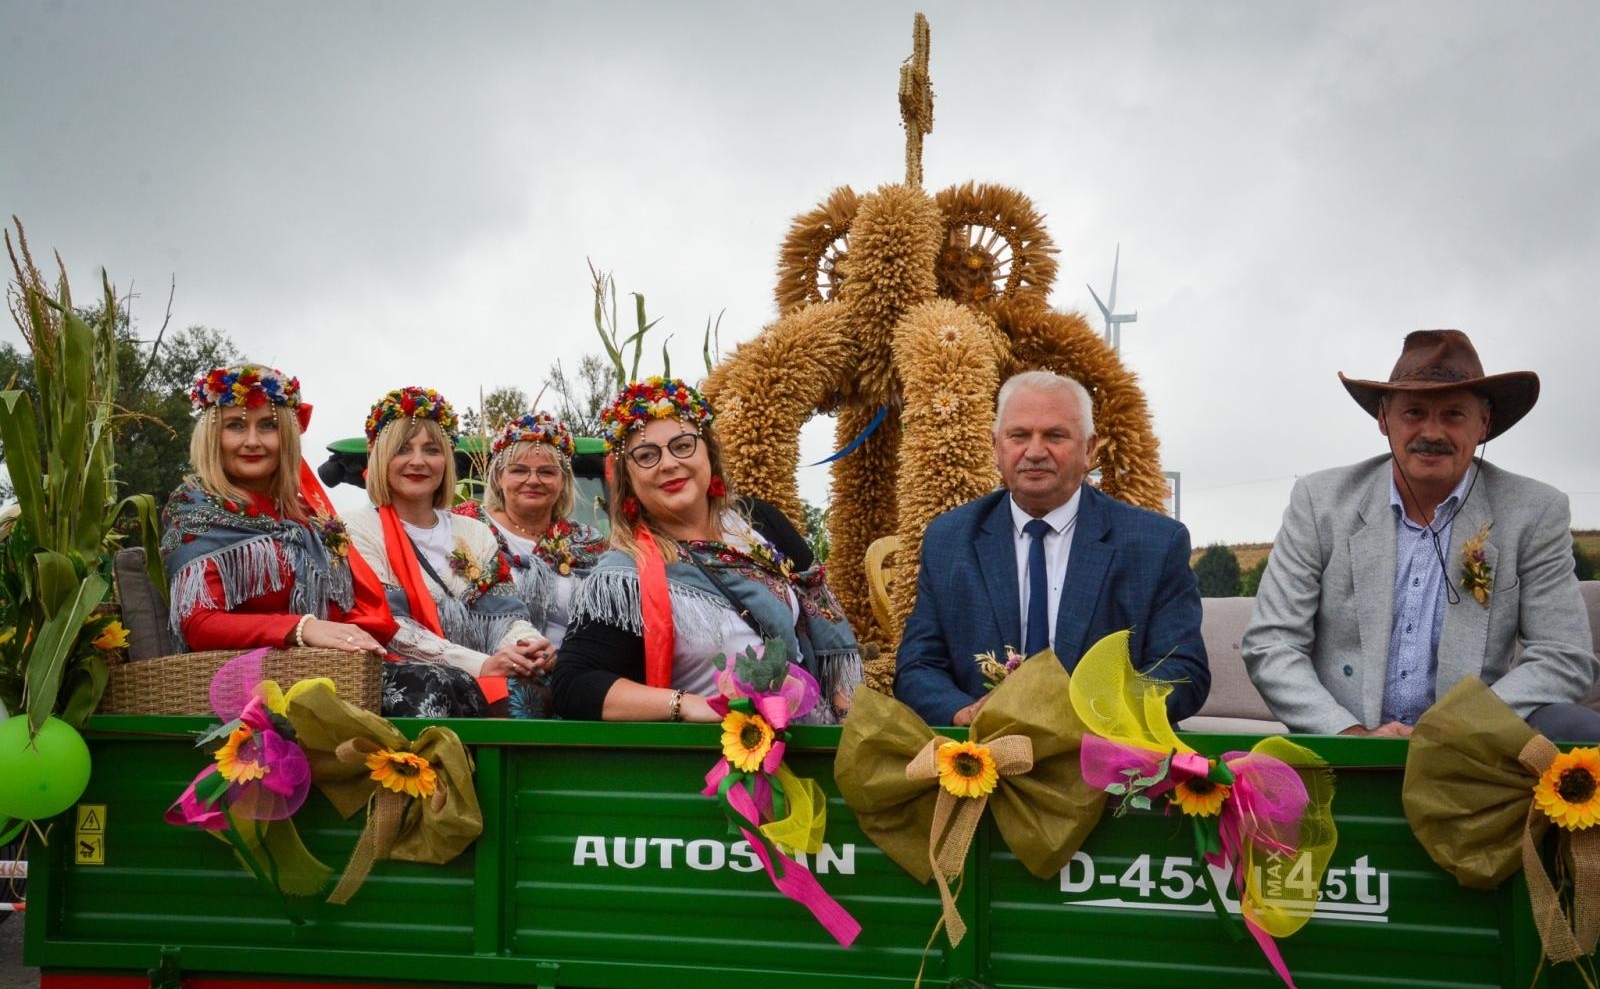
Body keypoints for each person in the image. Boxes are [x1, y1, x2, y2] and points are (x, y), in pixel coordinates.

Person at [1243, 329, 1600, 739]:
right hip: (1343, 744)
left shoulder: (1534, 511)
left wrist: (1454, 729)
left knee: (1580, 729)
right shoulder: (1319, 501)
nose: (1432, 433)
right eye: (1413, 413)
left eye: (1454, 415)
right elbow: (1272, 644)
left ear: (1484, 423)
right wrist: (1350, 734)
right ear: (1384, 419)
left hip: (1470, 747)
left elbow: (1564, 656)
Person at [895, 370, 1210, 727]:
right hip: (981, 752)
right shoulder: (949, 540)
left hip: (1107, 750)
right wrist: (965, 714)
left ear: (1089, 448)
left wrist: (1089, 713)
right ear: (995, 446)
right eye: (1019, 435)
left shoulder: (1155, 544)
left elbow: (1183, 671)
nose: (1034, 452)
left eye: (1055, 436)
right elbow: (918, 665)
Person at [550, 377, 859, 723]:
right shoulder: (625, 574)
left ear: (708, 452)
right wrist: (685, 705)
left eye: (683, 445)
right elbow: (573, 685)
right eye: (647, 455)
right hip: (721, 750)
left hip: (812, 736)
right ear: (628, 478)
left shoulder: (762, 523)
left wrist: (847, 724)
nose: (669, 463)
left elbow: (823, 628)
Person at [344, 387, 554, 718]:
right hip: (405, 677)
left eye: (431, 450)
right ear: (380, 457)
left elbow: (507, 617)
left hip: (485, 671)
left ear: (446, 460)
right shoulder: (357, 528)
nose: (418, 461)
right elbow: (389, 627)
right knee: (438, 688)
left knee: (546, 683)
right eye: (402, 449)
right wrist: (481, 664)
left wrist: (528, 648)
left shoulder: (474, 532)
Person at [163, 364, 397, 657]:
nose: (252, 441)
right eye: (235, 425)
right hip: (256, 675)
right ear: (211, 437)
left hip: (341, 661)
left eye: (267, 426)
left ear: (287, 436)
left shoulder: (308, 514)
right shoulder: (195, 508)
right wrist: (302, 628)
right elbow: (198, 625)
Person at [452, 411, 606, 648]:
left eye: (547, 472)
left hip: (569, 666)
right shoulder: (466, 528)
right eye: (519, 470)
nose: (533, 480)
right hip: (483, 664)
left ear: (563, 481)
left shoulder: (587, 543)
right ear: (499, 478)